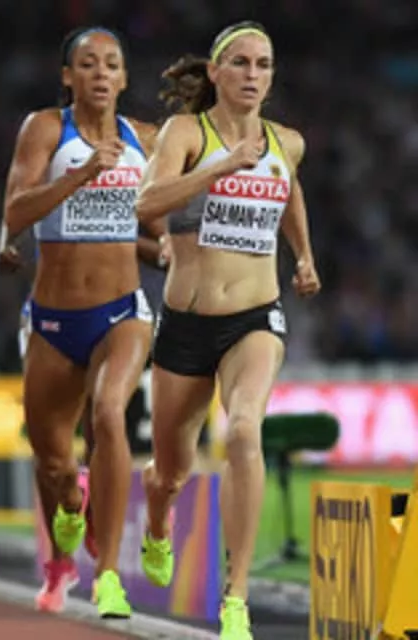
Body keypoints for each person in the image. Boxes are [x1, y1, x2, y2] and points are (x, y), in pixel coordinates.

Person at [134, 22, 320, 640]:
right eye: (239, 63)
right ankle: (157, 521)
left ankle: (235, 597)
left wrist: (304, 256)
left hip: (255, 315)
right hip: (186, 323)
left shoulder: (287, 142)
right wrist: (222, 169)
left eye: (263, 64)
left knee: (243, 432)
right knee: (170, 473)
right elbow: (145, 203)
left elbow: (289, 193)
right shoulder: (186, 133)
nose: (252, 74)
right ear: (214, 73)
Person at [2, 27, 164, 617]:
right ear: (68, 76)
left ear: (124, 79)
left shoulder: (146, 139)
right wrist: (80, 175)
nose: (101, 73)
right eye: (88, 64)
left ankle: (110, 575)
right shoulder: (47, 129)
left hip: (122, 311)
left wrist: (167, 246)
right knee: (53, 463)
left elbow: (155, 231)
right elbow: (15, 211)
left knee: (109, 413)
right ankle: (69, 521)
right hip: (53, 320)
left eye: (111, 64)